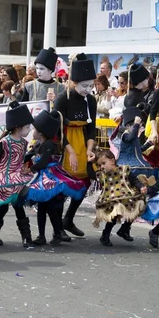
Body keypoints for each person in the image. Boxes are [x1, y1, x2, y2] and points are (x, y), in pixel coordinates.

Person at [23, 110, 86, 245]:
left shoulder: (49, 144)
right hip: (43, 176)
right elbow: (30, 155)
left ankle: (57, 233)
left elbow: (44, 161)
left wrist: (30, 169)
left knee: (51, 208)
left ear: (41, 132)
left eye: (34, 129)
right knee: (42, 208)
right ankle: (41, 236)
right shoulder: (39, 143)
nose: (32, 131)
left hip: (50, 176)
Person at [53, 53, 97, 239]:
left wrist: (89, 149)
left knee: (84, 182)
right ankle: (58, 228)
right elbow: (57, 129)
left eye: (91, 86)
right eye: (84, 86)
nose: (88, 89)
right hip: (64, 143)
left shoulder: (91, 101)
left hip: (83, 143)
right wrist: (69, 150)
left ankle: (68, 218)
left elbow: (92, 127)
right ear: (73, 82)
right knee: (62, 187)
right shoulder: (62, 98)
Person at [0, 101, 35, 247]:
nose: (29, 130)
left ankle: (26, 237)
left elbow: (21, 159)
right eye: (27, 127)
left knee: (17, 205)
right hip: (3, 177)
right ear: (17, 127)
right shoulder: (5, 142)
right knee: (4, 206)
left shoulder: (23, 143)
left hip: (17, 178)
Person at [94, 150, 147, 246]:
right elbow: (91, 174)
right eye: (100, 165)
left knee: (138, 204)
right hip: (111, 199)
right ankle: (105, 235)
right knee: (114, 215)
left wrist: (141, 187)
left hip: (127, 196)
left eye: (103, 163)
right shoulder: (102, 174)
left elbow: (134, 180)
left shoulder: (124, 170)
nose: (102, 167)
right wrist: (89, 163)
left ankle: (124, 229)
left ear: (112, 161)